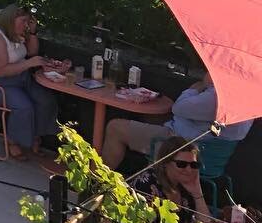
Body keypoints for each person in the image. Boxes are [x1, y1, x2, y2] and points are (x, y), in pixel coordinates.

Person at [100, 71, 253, 170]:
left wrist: (197, 87)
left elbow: (178, 108)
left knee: (115, 127)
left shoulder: (216, 98)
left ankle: (97, 183)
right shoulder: (250, 99)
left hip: (180, 149)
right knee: (152, 117)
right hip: (210, 156)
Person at [111, 135, 208, 223]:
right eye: (182, 164)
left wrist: (197, 192)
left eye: (194, 165)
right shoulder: (146, 184)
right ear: (165, 163)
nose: (189, 170)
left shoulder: (185, 188)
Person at [0, 5, 60, 160]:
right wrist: (29, 64)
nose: (26, 25)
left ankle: (35, 136)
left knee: (46, 100)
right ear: (11, 19)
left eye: (28, 21)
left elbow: (32, 52)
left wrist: (32, 33)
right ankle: (13, 142)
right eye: (24, 21)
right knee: (23, 106)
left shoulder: (16, 33)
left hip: (19, 79)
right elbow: (1, 71)